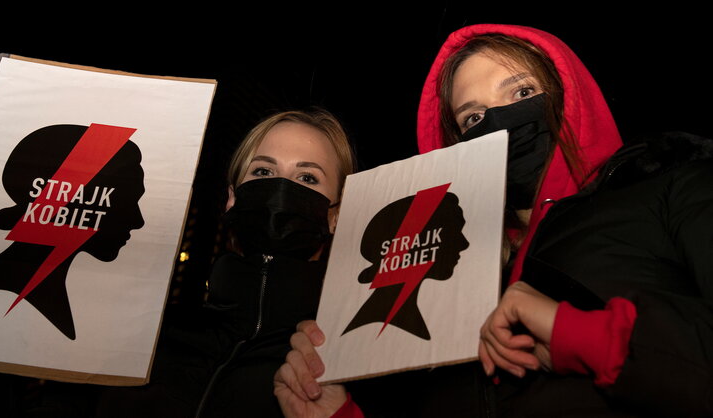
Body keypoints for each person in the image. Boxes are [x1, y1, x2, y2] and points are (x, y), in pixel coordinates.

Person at [274, 24, 712, 417]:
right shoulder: (445, 274)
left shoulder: (669, 188)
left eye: (521, 93)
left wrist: (579, 335)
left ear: (570, 93)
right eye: (474, 118)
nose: (498, 123)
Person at [0, 109, 356, 417]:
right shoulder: (138, 335)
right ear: (232, 198)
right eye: (263, 172)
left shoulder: (346, 365)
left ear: (335, 215)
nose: (280, 190)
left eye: (308, 178)